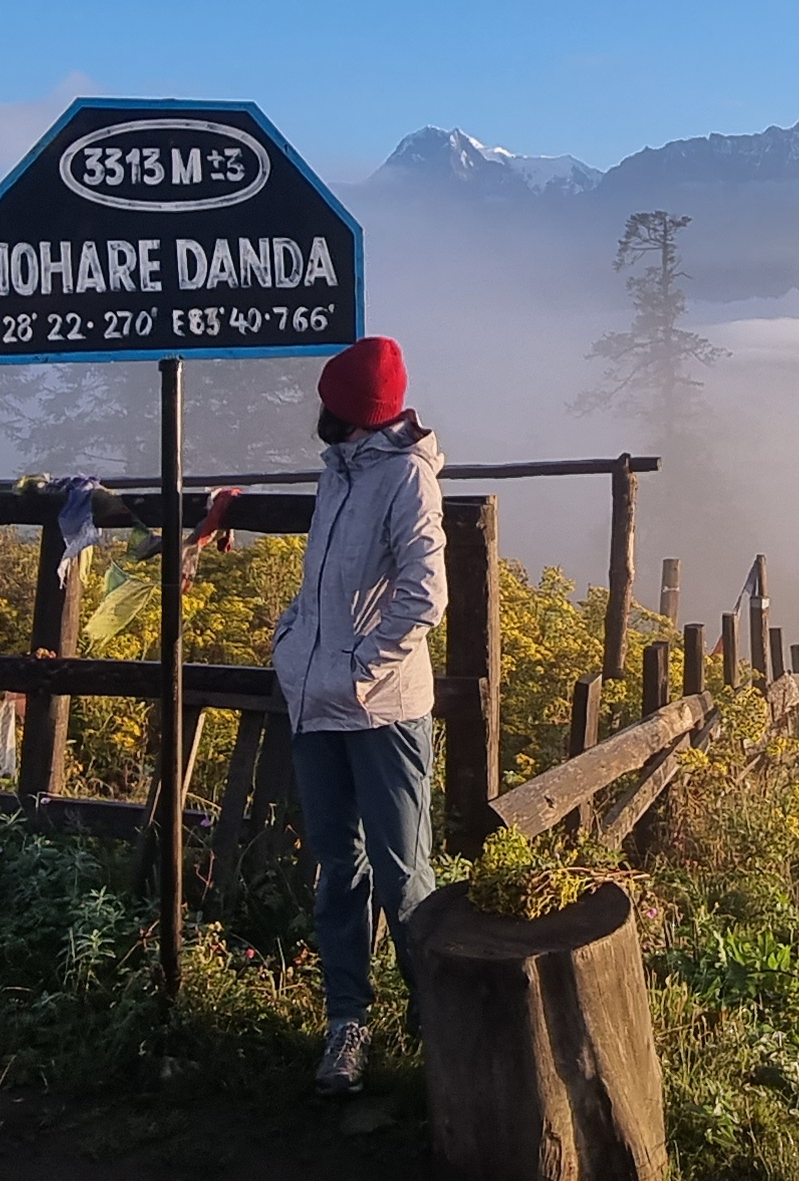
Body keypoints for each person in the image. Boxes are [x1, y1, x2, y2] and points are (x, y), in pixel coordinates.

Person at [274, 334, 447, 1096]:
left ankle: (440, 1021)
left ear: (348, 410)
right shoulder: (339, 475)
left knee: (404, 876)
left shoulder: (406, 477)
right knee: (337, 871)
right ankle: (348, 1023)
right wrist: (291, 641)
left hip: (384, 713)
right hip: (316, 705)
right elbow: (322, 586)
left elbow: (425, 594)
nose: (318, 408)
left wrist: (357, 672)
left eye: (328, 398)